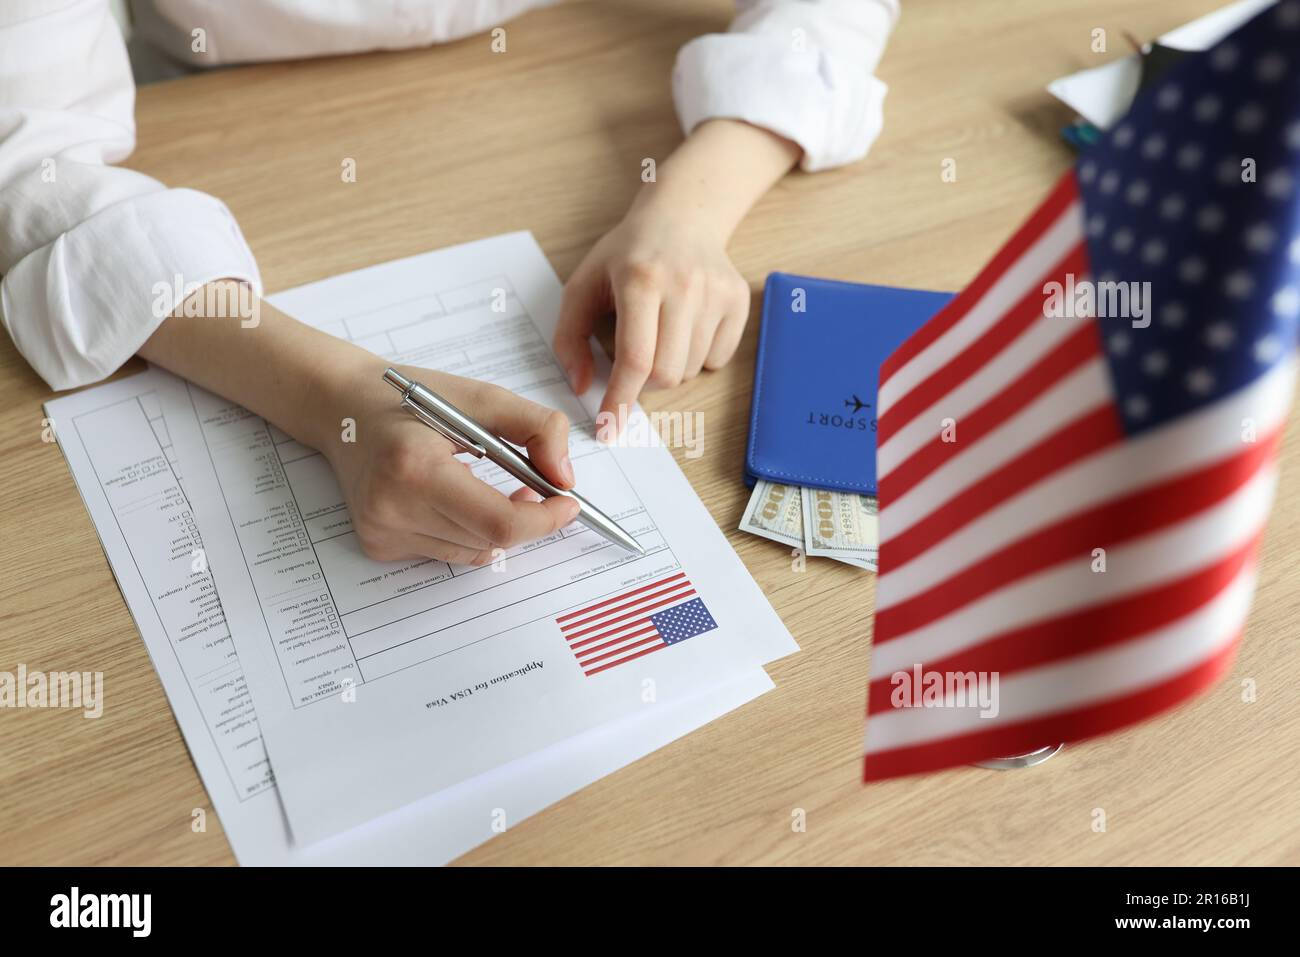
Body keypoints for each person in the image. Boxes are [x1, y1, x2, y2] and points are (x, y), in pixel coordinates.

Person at [0, 0, 896, 564]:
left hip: (550, 78)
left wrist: (689, 213)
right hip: (226, 97)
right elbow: (31, 156)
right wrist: (337, 395)